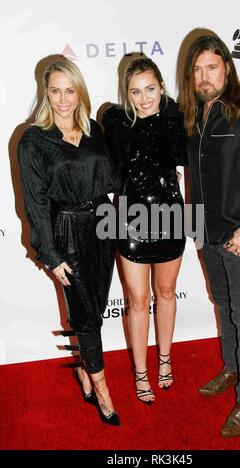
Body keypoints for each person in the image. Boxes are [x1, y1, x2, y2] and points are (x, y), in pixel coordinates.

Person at [180, 35, 240, 437]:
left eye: (212, 67)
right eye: (198, 70)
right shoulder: (193, 116)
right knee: (223, 306)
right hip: (207, 233)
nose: (204, 76)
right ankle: (231, 368)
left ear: (227, 68)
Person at [18, 58, 120, 425]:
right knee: (86, 317)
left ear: (80, 92)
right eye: (55, 90)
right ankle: (103, 390)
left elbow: (113, 178)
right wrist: (50, 253)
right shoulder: (34, 140)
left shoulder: (93, 130)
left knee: (97, 309)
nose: (63, 99)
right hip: (66, 231)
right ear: (45, 93)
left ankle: (84, 371)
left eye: (69, 90)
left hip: (103, 227)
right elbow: (35, 202)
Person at [103, 57, 186, 404]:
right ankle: (140, 373)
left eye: (150, 89)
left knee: (165, 293)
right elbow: (111, 169)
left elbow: (183, 160)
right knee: (137, 301)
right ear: (127, 93)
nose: (144, 98)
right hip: (131, 217)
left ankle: (164, 360)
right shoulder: (116, 122)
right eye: (135, 92)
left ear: (162, 88)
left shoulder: (176, 117)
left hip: (171, 213)